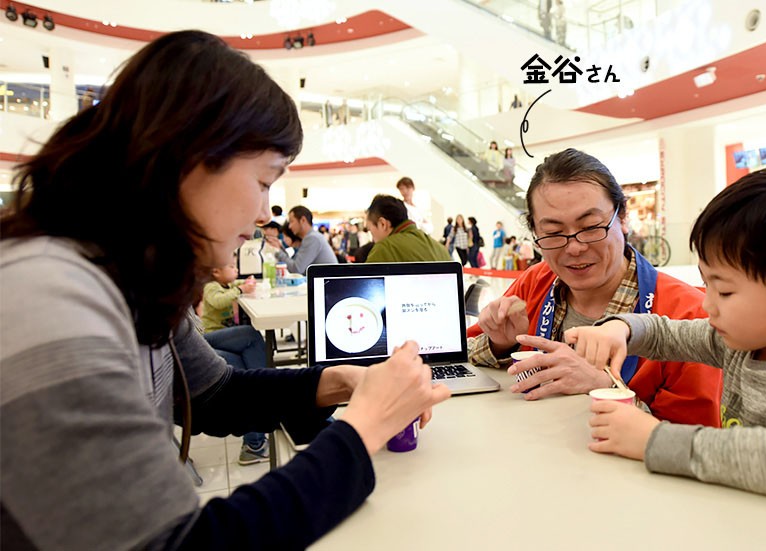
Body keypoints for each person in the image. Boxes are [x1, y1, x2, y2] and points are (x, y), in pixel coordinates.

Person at [0, 30, 451, 550]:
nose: (264, 215)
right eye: (263, 181)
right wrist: (365, 429)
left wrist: (340, 383)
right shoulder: (49, 299)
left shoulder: (130, 281)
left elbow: (215, 395)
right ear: (187, 156)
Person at [564, 168, 766, 517]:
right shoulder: (746, 338)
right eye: (706, 285)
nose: (707, 304)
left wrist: (653, 439)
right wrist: (620, 329)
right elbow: (669, 334)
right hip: (750, 512)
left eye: (725, 290)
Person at [467, 149, 721, 427]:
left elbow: (696, 442)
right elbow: (462, 353)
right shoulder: (535, 281)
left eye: (590, 227)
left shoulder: (687, 313)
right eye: (553, 233)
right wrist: (501, 343)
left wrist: (606, 388)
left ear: (622, 217)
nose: (574, 247)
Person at [199, 262, 270, 465]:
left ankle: (253, 444)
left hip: (215, 342)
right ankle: (268, 393)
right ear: (215, 271)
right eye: (231, 265)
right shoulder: (211, 286)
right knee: (251, 336)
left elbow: (238, 283)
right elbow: (218, 301)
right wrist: (241, 289)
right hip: (211, 337)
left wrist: (244, 283)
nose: (236, 268)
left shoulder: (227, 284)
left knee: (245, 373)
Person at [364, 194, 452, 263]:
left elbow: (367, 285)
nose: (372, 238)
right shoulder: (440, 249)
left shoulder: (385, 248)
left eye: (370, 230)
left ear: (383, 224)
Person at [263, 204, 338, 274]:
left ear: (303, 220)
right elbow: (294, 263)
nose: (290, 226)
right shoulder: (311, 237)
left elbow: (296, 269)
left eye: (292, 221)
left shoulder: (312, 238)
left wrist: (278, 251)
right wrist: (280, 248)